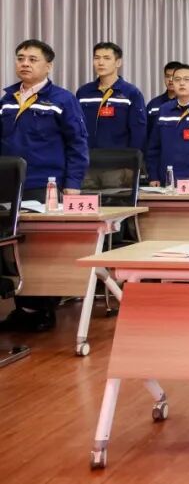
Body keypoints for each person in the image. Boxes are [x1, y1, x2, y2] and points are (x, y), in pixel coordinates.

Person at [0, 39, 89, 333]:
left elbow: (77, 143)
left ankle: (41, 309)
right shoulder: (7, 99)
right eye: (20, 58)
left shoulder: (62, 100)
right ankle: (21, 307)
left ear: (48, 66)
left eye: (32, 59)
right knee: (12, 247)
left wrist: (73, 184)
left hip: (45, 184)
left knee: (40, 247)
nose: (24, 63)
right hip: (10, 187)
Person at [76, 42, 147, 150]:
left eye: (106, 58)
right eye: (96, 58)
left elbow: (138, 132)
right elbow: (76, 127)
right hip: (88, 155)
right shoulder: (83, 92)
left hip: (119, 157)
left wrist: (133, 158)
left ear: (118, 62)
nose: (100, 62)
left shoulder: (131, 93)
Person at [146, 60, 182, 144]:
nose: (170, 80)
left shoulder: (187, 103)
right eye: (167, 76)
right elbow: (147, 132)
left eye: (174, 76)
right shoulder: (153, 104)